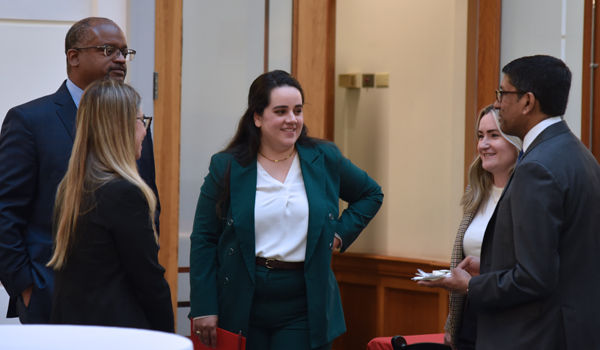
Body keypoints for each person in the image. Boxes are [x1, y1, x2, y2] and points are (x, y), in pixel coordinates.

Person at [189, 70, 383, 350]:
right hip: (242, 296)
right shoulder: (227, 166)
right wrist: (204, 305)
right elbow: (204, 238)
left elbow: (370, 193)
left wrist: (338, 234)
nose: (292, 119)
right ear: (257, 117)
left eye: (297, 110)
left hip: (303, 300)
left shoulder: (324, 157)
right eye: (280, 111)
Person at [426, 55, 600, 349]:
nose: (497, 103)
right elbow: (561, 255)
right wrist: (494, 266)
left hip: (536, 334)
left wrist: (471, 285)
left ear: (527, 102)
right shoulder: (580, 154)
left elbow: (535, 278)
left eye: (502, 94)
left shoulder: (536, 167)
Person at [0, 17, 159, 324]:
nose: (121, 59)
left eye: (125, 52)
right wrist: (26, 286)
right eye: (109, 49)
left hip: (125, 300)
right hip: (51, 294)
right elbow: (6, 212)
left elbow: (149, 202)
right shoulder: (30, 121)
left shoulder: (136, 123)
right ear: (73, 57)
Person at [47, 78, 173, 332]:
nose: (144, 131)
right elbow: (148, 282)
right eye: (141, 121)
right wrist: (169, 338)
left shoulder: (72, 187)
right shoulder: (124, 193)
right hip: (118, 331)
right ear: (121, 128)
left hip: (76, 329)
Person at [418, 105, 521, 350]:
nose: (483, 144)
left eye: (494, 135)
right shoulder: (476, 191)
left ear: (516, 141)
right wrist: (452, 324)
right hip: (472, 315)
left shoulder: (526, 192)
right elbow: (467, 261)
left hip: (513, 320)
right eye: (480, 135)